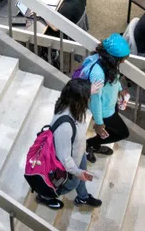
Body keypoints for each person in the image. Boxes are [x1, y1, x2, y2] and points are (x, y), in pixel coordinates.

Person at [36, 78, 104, 210]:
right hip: (68, 161)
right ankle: (45, 196)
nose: (89, 99)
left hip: (79, 152)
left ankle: (82, 197)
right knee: (72, 183)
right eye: (87, 97)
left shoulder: (71, 105)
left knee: (81, 178)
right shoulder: (65, 126)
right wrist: (77, 172)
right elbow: (65, 158)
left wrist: (90, 90)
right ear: (78, 100)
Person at [79, 34, 132, 163]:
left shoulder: (105, 62)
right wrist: (98, 122)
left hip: (111, 103)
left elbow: (115, 78)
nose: (124, 61)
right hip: (104, 110)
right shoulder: (98, 73)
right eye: (122, 59)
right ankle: (89, 144)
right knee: (123, 133)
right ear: (113, 58)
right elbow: (95, 100)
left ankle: (95, 145)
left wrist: (119, 89)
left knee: (109, 130)